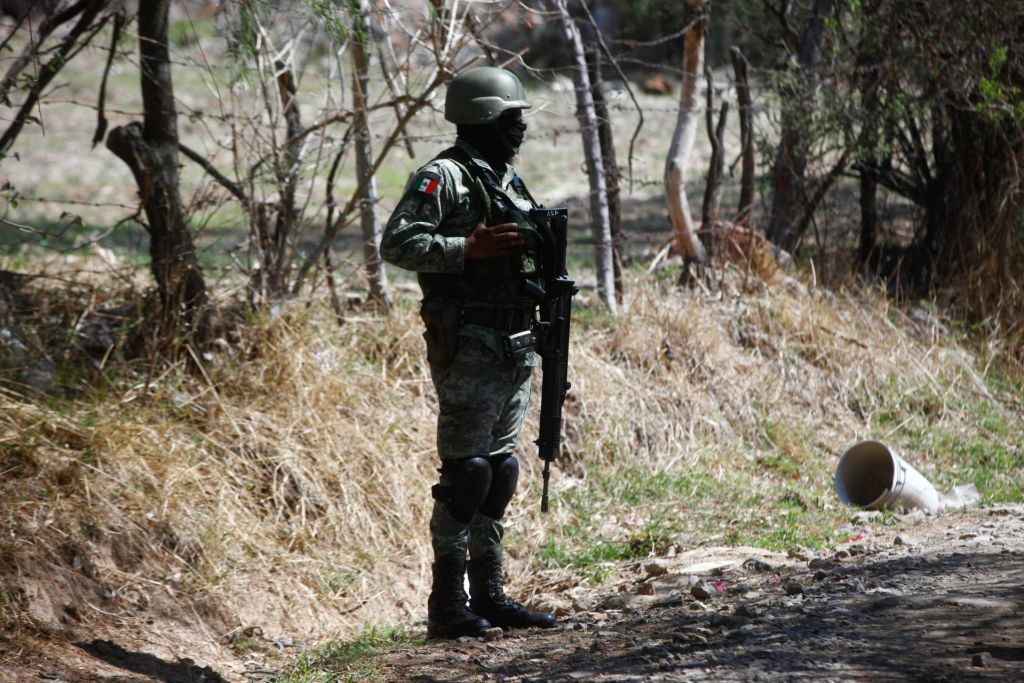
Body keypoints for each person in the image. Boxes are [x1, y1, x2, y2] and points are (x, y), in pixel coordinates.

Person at [380, 66, 558, 639]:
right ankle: (446, 604)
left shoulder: (504, 177)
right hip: (469, 342)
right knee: (468, 472)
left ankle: (490, 594)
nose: (522, 128)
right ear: (483, 117)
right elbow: (398, 243)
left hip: (514, 341)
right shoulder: (444, 177)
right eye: (513, 118)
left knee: (501, 470)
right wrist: (467, 248)